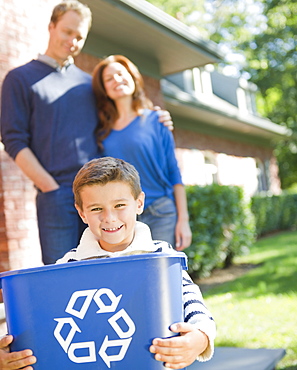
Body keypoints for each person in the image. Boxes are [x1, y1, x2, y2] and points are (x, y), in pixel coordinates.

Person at [0, 157, 215, 370]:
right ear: (82, 213)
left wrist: (200, 338)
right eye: (96, 209)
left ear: (139, 203)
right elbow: (39, 320)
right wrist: (10, 355)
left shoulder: (161, 257)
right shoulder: (67, 266)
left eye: (119, 205)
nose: (109, 218)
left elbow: (193, 304)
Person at [0, 1, 173, 265]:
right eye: (67, 32)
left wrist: (155, 116)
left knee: (107, 266)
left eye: (79, 36)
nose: (72, 41)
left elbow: (117, 116)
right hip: (55, 194)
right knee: (62, 272)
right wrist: (48, 185)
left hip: (100, 194)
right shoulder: (20, 78)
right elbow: (13, 139)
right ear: (51, 27)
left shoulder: (87, 83)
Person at [92, 55, 192, 250]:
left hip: (160, 213)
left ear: (132, 77)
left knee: (162, 277)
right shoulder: (102, 133)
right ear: (104, 89)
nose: (117, 80)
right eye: (109, 79)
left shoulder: (157, 120)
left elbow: (174, 171)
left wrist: (184, 220)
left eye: (121, 74)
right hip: (121, 220)